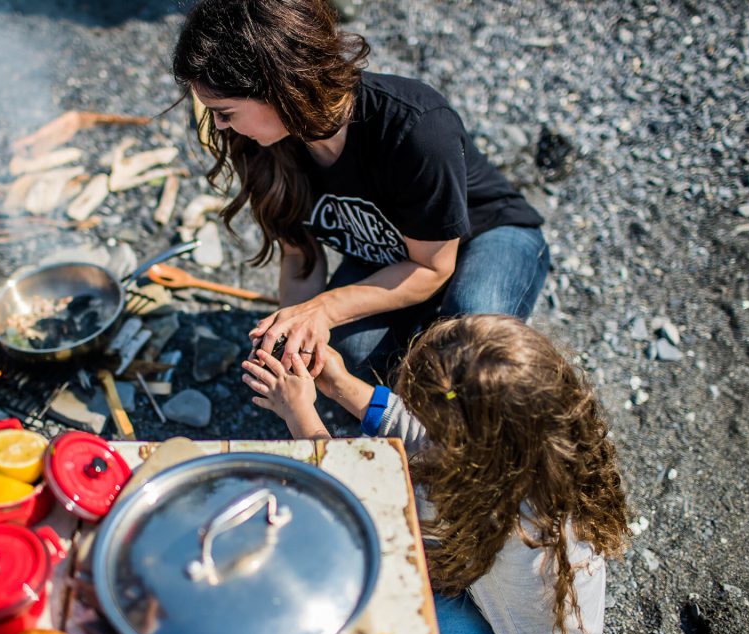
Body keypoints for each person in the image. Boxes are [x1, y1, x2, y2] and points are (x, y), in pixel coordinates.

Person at [240, 314, 630, 634]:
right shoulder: (538, 445)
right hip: (511, 601)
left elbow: (359, 502)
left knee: (341, 633)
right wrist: (339, 381)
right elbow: (421, 432)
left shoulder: (499, 508)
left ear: (467, 445)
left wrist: (300, 415)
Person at [173, 0, 549, 381]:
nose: (218, 126)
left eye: (225, 111)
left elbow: (433, 266)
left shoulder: (416, 128)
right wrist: (288, 336)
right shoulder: (262, 143)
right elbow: (299, 257)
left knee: (471, 346)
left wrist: (326, 308)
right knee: (342, 354)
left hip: (484, 236)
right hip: (390, 255)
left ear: (278, 88)